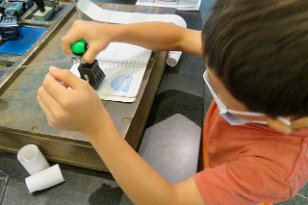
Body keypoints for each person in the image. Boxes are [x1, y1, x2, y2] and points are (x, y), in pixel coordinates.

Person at [37, 0, 308, 204]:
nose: (207, 64)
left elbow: (171, 200)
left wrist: (95, 127)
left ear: (275, 119)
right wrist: (110, 32)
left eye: (217, 83)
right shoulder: (251, 52)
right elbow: (178, 37)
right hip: (217, 155)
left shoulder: (273, 169)